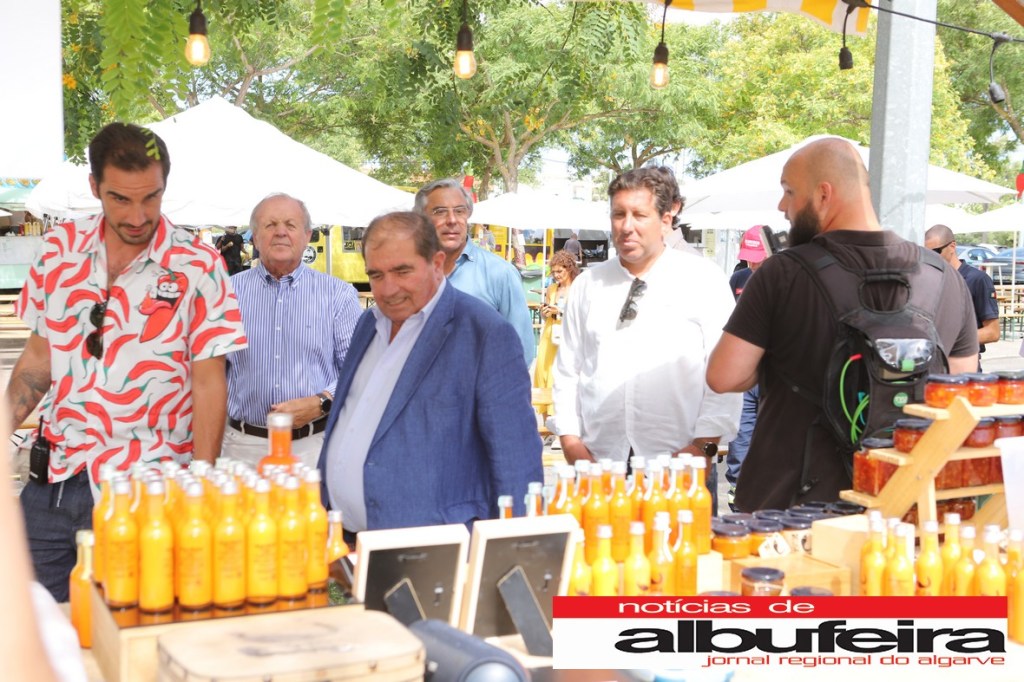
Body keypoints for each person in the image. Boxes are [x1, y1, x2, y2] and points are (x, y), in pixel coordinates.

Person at [4, 122, 247, 601]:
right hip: (54, 480)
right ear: (94, 187)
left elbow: (208, 382)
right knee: (36, 628)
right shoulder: (58, 250)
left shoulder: (199, 264)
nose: (138, 216)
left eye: (151, 198)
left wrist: (201, 484)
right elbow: (37, 360)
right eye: (120, 199)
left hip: (150, 489)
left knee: (134, 632)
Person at [707, 137, 979, 511]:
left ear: (823, 195)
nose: (782, 206)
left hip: (790, 508)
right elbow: (961, 390)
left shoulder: (782, 273)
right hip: (904, 503)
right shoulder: (945, 278)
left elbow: (724, 376)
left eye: (789, 191)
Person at [317, 212, 542, 532]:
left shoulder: (484, 333)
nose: (388, 289)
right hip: (344, 539)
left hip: (436, 547)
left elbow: (516, 462)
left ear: (437, 263)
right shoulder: (369, 323)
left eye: (402, 271)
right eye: (376, 275)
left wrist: (516, 548)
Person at [552, 168, 740, 510]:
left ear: (666, 219)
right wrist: (570, 442)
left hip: (681, 466)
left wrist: (704, 448)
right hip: (599, 466)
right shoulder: (588, 285)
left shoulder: (704, 280)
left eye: (639, 215)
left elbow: (726, 378)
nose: (627, 226)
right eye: (618, 214)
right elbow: (567, 372)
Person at [223, 193, 362, 467]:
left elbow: (357, 370)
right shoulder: (227, 292)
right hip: (242, 448)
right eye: (270, 224)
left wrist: (322, 401)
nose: (280, 232)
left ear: (307, 235)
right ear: (255, 237)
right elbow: (211, 373)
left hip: (313, 448)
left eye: (290, 224)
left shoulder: (338, 295)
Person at [414, 179, 536, 364]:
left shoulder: (500, 273)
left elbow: (520, 352)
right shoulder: (408, 273)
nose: (452, 220)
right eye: (440, 211)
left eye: (459, 211)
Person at [724, 225, 769, 511]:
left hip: (772, 375)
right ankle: (737, 496)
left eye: (758, 259)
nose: (752, 265)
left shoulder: (786, 281)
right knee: (741, 436)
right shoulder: (738, 279)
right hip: (744, 373)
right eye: (748, 259)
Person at [925, 224, 999, 370]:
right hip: (932, 363)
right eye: (926, 253)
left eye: (935, 252)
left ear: (952, 246)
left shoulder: (977, 280)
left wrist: (947, 340)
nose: (931, 258)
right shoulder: (928, 279)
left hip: (963, 363)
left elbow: (992, 332)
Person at [534, 250, 580, 390]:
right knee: (543, 372)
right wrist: (545, 312)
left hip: (567, 336)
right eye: (553, 272)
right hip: (549, 335)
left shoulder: (577, 288)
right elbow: (546, 317)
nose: (556, 275)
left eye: (559, 271)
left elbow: (580, 316)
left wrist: (559, 311)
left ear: (569, 269)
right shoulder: (551, 289)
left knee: (560, 375)